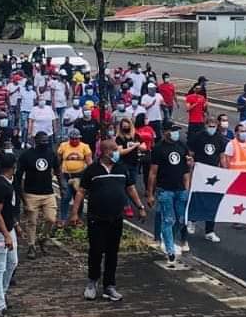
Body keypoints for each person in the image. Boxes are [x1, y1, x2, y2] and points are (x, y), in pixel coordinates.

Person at [69, 139, 146, 301]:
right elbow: (81, 192)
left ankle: (109, 286)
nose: (117, 152)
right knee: (96, 251)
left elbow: (130, 188)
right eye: (114, 150)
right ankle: (92, 281)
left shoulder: (122, 168)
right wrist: (75, 213)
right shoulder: (92, 170)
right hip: (96, 218)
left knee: (113, 252)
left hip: (116, 218)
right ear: (105, 152)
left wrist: (140, 206)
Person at [147, 123, 191, 267]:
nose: (175, 133)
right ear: (165, 132)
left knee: (181, 219)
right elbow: (153, 173)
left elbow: (186, 170)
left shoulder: (182, 146)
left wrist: (187, 189)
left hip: (180, 190)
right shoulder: (159, 149)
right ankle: (170, 250)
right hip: (165, 190)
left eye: (177, 131)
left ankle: (168, 239)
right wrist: (150, 193)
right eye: (173, 130)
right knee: (168, 220)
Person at [16, 132, 60, 259]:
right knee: (32, 222)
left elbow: (58, 170)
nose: (45, 144)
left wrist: (62, 188)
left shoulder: (51, 154)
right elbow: (18, 176)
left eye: (46, 141)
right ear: (35, 141)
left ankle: (43, 238)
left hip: (48, 193)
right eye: (42, 141)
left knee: (51, 219)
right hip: (31, 194)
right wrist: (21, 196)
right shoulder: (26, 156)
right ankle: (31, 246)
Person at [0, 153, 21, 317]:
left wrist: (15, 225)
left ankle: (2, 293)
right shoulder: (1, 186)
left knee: (13, 262)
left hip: (9, 228)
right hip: (0, 232)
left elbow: (9, 209)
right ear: (12, 167)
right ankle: (0, 306)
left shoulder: (9, 183)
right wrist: (6, 234)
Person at [188, 116, 226, 243]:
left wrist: (224, 172)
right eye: (210, 126)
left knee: (212, 201)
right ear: (205, 126)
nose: (212, 128)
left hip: (214, 174)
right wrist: (192, 170)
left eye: (214, 126)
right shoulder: (198, 137)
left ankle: (209, 231)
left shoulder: (220, 138)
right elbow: (191, 154)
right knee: (197, 197)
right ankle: (192, 221)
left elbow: (222, 157)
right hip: (200, 173)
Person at [57, 128, 92, 224]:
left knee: (78, 196)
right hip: (66, 175)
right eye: (73, 139)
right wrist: (58, 172)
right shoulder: (63, 146)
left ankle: (77, 217)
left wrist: (91, 174)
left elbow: (89, 162)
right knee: (66, 196)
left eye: (77, 139)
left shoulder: (85, 147)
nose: (75, 141)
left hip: (80, 175)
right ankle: (63, 218)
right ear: (69, 138)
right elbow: (58, 160)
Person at [19, 80, 37, 147]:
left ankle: (28, 142)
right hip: (24, 111)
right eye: (29, 85)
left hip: (31, 112)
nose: (30, 86)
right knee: (25, 128)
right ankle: (23, 141)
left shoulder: (33, 93)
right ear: (26, 85)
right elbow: (19, 102)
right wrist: (18, 112)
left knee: (31, 128)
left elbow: (35, 103)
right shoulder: (22, 92)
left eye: (31, 85)